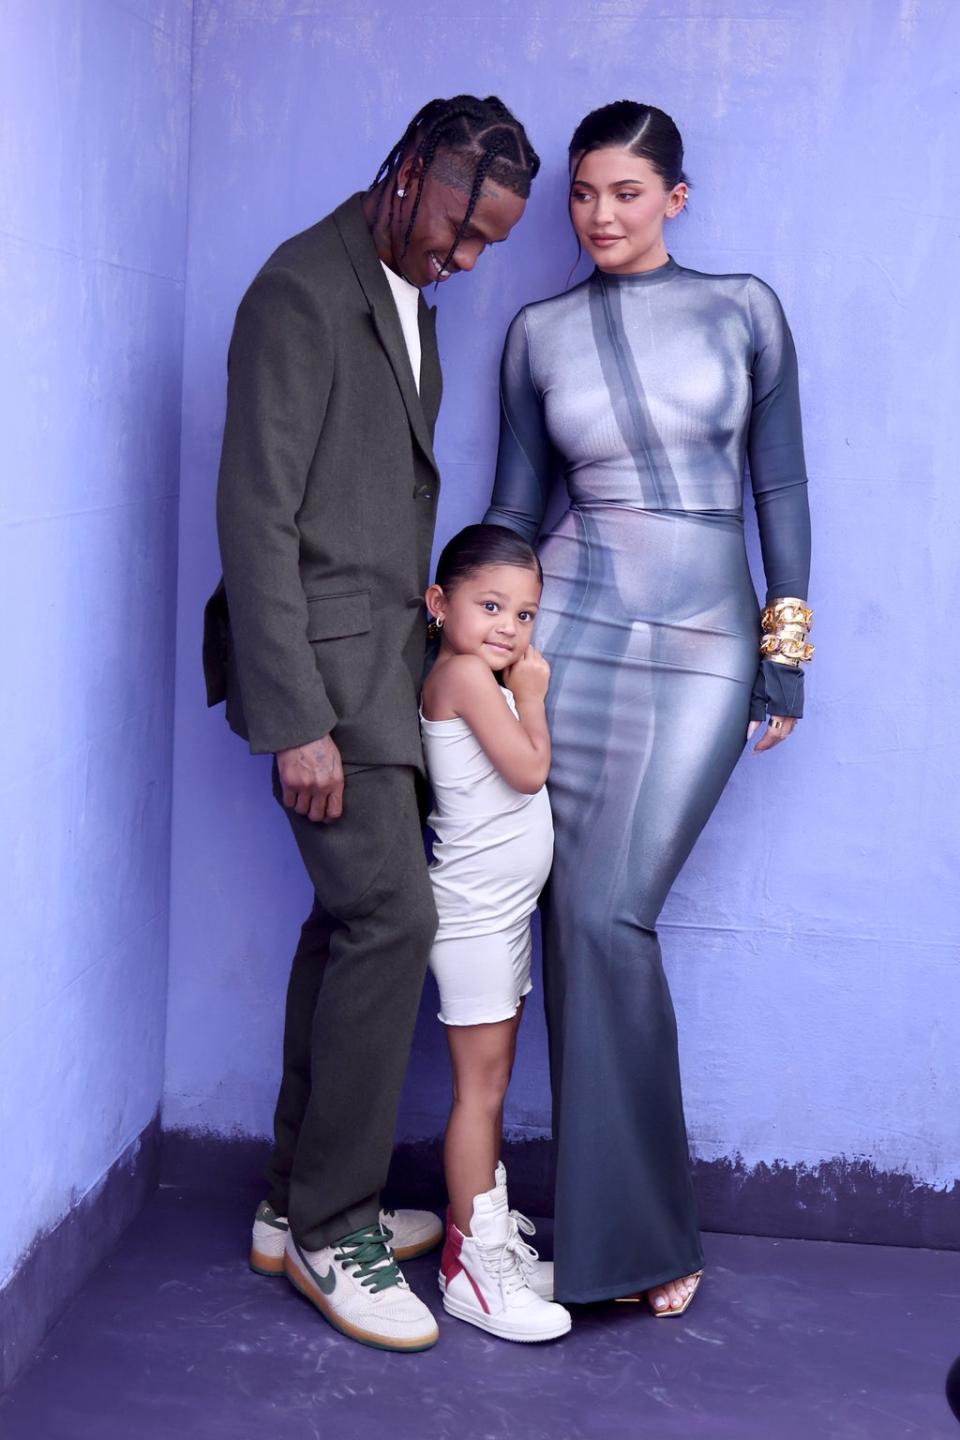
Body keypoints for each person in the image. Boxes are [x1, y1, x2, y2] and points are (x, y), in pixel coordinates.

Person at [202, 96, 539, 1352]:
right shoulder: (300, 290)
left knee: (350, 923)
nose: (463, 259)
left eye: (486, 247)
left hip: (382, 673)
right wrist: (294, 721)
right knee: (394, 915)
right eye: (461, 226)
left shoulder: (409, 297)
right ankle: (336, 1226)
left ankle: (294, 1205)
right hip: (319, 684)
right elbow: (258, 520)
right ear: (410, 171)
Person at [485, 101, 813, 1314]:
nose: (601, 215)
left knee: (613, 910)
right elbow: (515, 514)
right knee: (572, 916)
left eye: (627, 192)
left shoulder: (744, 310)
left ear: (676, 196)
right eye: (584, 194)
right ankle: (617, 1236)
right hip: (567, 633)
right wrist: (473, 651)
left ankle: (638, 1233)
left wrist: (789, 647)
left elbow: (777, 483)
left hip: (705, 639)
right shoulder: (537, 332)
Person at [420, 524, 571, 1342]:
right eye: (490, 606)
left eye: (525, 614)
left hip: (500, 915)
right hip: (475, 918)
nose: (510, 628)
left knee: (493, 1085)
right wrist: (535, 697)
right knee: (478, 1092)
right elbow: (527, 771)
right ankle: (476, 1274)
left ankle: (476, 1241)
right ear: (440, 605)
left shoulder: (482, 672)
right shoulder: (467, 676)